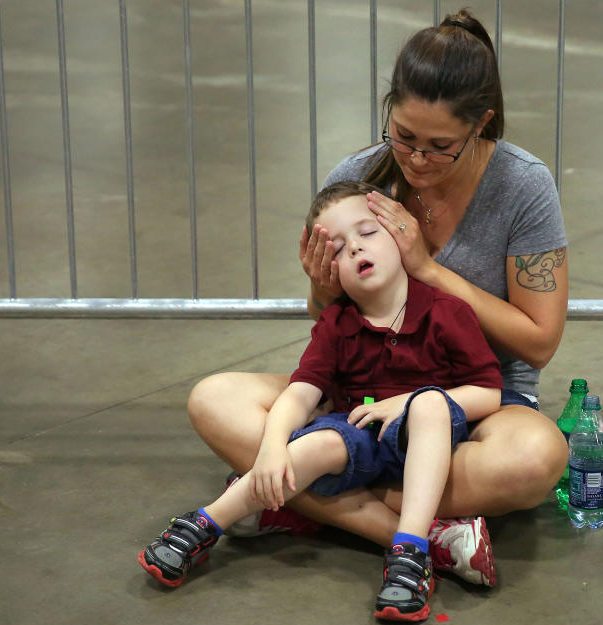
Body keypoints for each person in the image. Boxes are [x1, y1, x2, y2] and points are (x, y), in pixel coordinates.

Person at [185, 9, 569, 587]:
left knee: (536, 459)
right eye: (403, 136)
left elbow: (538, 344)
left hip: (473, 404)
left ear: (481, 124)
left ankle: (307, 497)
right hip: (357, 402)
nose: (416, 160)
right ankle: (417, 538)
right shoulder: (359, 178)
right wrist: (322, 286)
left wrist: (426, 270)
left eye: (440, 147)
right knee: (213, 400)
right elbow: (332, 323)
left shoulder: (522, 184)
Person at [140, 181, 503, 622]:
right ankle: (206, 523)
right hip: (362, 431)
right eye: (337, 248)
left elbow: (487, 392)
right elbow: (301, 391)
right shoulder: (336, 322)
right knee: (319, 441)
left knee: (428, 405)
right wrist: (274, 447)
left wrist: (407, 403)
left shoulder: (447, 312)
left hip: (427, 436)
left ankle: (409, 553)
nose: (353, 249)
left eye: (368, 233)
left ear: (402, 236)